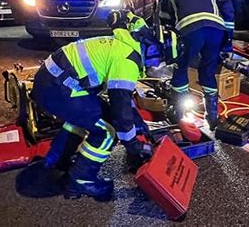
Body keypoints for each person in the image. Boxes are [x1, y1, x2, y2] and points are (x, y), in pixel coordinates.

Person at [30, 12, 157, 201]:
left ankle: (56, 160)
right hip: (58, 88)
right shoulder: (129, 62)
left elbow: (122, 100)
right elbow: (120, 109)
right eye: (159, 62)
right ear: (153, 51)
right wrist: (133, 145)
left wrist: (138, 123)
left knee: (84, 118)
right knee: (106, 131)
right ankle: (81, 180)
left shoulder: (126, 45)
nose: (157, 67)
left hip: (54, 81)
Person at [161, 0, 235, 130]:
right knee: (207, 72)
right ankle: (213, 117)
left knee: (181, 70)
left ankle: (179, 115)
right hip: (215, 31)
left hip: (189, 32)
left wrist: (171, 49)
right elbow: (228, 9)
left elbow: (165, 20)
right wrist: (227, 40)